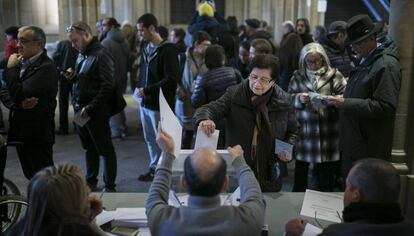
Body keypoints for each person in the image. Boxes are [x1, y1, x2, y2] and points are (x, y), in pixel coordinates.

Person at [194, 54, 298, 192]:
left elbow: (293, 131)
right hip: (239, 166)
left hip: (270, 170)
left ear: (273, 82)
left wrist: (287, 148)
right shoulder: (235, 95)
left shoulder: (283, 101)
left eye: (264, 79)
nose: (257, 83)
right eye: (253, 77)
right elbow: (209, 108)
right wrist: (204, 119)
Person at [146, 125, 265, 236]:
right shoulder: (249, 221)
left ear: (183, 183)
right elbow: (254, 194)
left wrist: (168, 154)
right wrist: (239, 161)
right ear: (225, 183)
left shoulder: (162, 222)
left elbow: (155, 196)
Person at [327, 14, 401, 180]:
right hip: (356, 141)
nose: (353, 48)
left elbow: (386, 106)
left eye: (357, 43)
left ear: (371, 39)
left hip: (368, 146)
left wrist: (346, 103)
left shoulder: (385, 65)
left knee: (362, 192)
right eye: (352, 44)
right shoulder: (367, 59)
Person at [285, 159, 414, 236]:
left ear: (355, 196)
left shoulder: (336, 233)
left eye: (347, 185)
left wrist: (303, 232)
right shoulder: (409, 227)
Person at [66, 21, 118, 192]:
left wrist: (90, 108)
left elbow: (108, 86)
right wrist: (73, 77)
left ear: (86, 35)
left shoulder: (101, 54)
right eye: (71, 42)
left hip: (94, 112)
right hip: (81, 110)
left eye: (75, 41)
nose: (74, 45)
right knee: (89, 147)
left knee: (105, 149)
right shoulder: (82, 53)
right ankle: (91, 181)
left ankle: (109, 186)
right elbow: (86, 79)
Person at [288, 43, 347, 192]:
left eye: (317, 61)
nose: (313, 65)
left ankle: (323, 204)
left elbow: (346, 96)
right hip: (305, 131)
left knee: (325, 176)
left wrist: (331, 99)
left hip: (328, 131)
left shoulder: (335, 75)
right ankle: (298, 204)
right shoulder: (297, 76)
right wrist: (299, 98)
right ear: (303, 61)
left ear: (323, 59)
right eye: (310, 61)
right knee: (300, 174)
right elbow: (287, 98)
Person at [3, 26, 58, 179]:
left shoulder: (46, 68)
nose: (17, 45)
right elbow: (4, 90)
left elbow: (18, 93)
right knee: (31, 176)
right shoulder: (22, 61)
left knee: (45, 179)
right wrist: (18, 104)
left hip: (37, 134)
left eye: (23, 41)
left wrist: (11, 70)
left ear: (39, 44)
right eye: (17, 40)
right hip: (22, 132)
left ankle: (57, 203)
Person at [136, 13, 179, 181]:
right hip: (145, 102)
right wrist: (140, 89)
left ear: (152, 28)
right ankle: (154, 168)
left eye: (141, 31)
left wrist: (147, 90)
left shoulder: (167, 51)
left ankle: (165, 171)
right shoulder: (146, 48)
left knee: (162, 140)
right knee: (149, 139)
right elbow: (144, 73)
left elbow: (171, 80)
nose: (140, 34)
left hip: (159, 104)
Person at [6, 164, 105, 236]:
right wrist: (89, 222)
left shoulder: (21, 227)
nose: (89, 192)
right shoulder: (75, 231)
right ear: (69, 204)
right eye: (85, 193)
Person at [191, 44, 242, 147]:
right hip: (233, 119)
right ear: (222, 58)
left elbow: (196, 102)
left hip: (212, 121)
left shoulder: (202, 78)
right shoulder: (234, 72)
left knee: (215, 153)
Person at [175, 31, 211, 149]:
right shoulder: (182, 58)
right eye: (205, 45)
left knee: (202, 137)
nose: (208, 48)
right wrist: (179, 92)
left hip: (202, 102)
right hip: (185, 101)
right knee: (186, 135)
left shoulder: (209, 59)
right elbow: (174, 78)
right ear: (196, 44)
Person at [101, 17, 130, 139]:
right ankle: (123, 127)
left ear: (111, 26)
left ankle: (116, 131)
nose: (102, 27)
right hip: (122, 75)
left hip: (111, 77)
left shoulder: (106, 43)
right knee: (119, 102)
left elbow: (103, 64)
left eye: (104, 25)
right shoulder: (125, 40)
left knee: (112, 104)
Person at [52, 40, 78, 135]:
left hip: (64, 76)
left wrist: (60, 71)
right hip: (75, 76)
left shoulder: (61, 45)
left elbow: (54, 58)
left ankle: (63, 128)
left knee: (63, 103)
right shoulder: (77, 44)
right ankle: (78, 126)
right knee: (77, 102)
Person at [278, 20, 303, 91]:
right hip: (289, 67)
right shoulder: (293, 36)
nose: (282, 30)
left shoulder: (291, 37)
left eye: (283, 28)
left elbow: (285, 53)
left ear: (287, 28)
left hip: (288, 68)